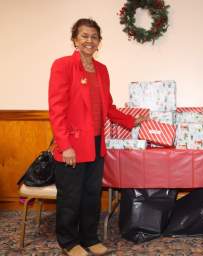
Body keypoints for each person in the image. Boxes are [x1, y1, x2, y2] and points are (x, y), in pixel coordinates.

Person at [48, 18, 146, 256]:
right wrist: (65, 145)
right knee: (71, 197)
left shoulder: (102, 70)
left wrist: (131, 121)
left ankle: (90, 238)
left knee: (92, 196)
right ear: (75, 39)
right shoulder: (62, 66)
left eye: (94, 36)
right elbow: (56, 108)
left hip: (95, 144)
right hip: (71, 145)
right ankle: (69, 242)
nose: (89, 40)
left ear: (99, 42)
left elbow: (108, 107)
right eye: (84, 36)